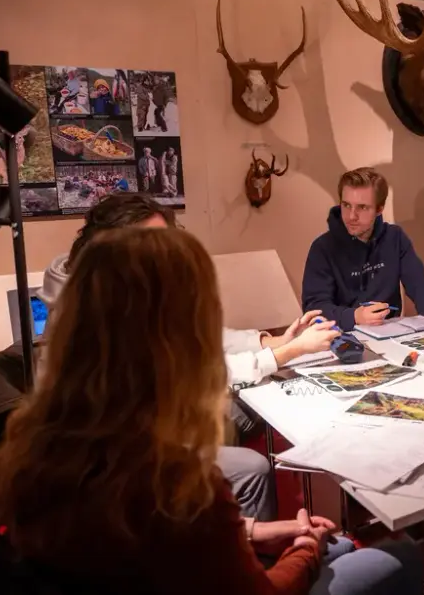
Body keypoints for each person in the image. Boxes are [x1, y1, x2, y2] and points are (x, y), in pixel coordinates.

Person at [0, 227, 424, 595]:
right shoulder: (177, 485)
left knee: (340, 550)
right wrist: (305, 548)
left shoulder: (21, 461)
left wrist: (253, 532)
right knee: (401, 554)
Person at [36, 193, 340, 523]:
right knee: (252, 463)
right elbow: (191, 374)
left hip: (153, 425)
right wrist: (285, 354)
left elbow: (197, 338)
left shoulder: (122, 284)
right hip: (126, 457)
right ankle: (246, 555)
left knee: (257, 397)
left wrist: (270, 340)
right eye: (153, 244)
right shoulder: (99, 312)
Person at [302, 167, 424, 331]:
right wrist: (354, 316)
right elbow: (314, 309)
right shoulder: (322, 248)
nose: (352, 216)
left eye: (362, 207)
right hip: (339, 336)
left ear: (379, 209)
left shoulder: (395, 238)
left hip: (388, 333)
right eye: (346, 205)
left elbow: (420, 289)